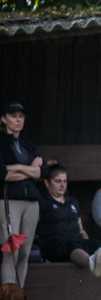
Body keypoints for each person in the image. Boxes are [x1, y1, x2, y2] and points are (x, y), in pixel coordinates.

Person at [1, 101, 42, 286]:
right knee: (11, 252)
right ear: (3, 119)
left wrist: (17, 167)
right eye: (13, 116)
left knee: (25, 253)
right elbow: (3, 175)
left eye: (21, 116)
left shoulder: (28, 144)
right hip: (10, 201)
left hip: (31, 202)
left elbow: (41, 172)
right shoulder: (1, 143)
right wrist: (28, 170)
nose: (18, 120)